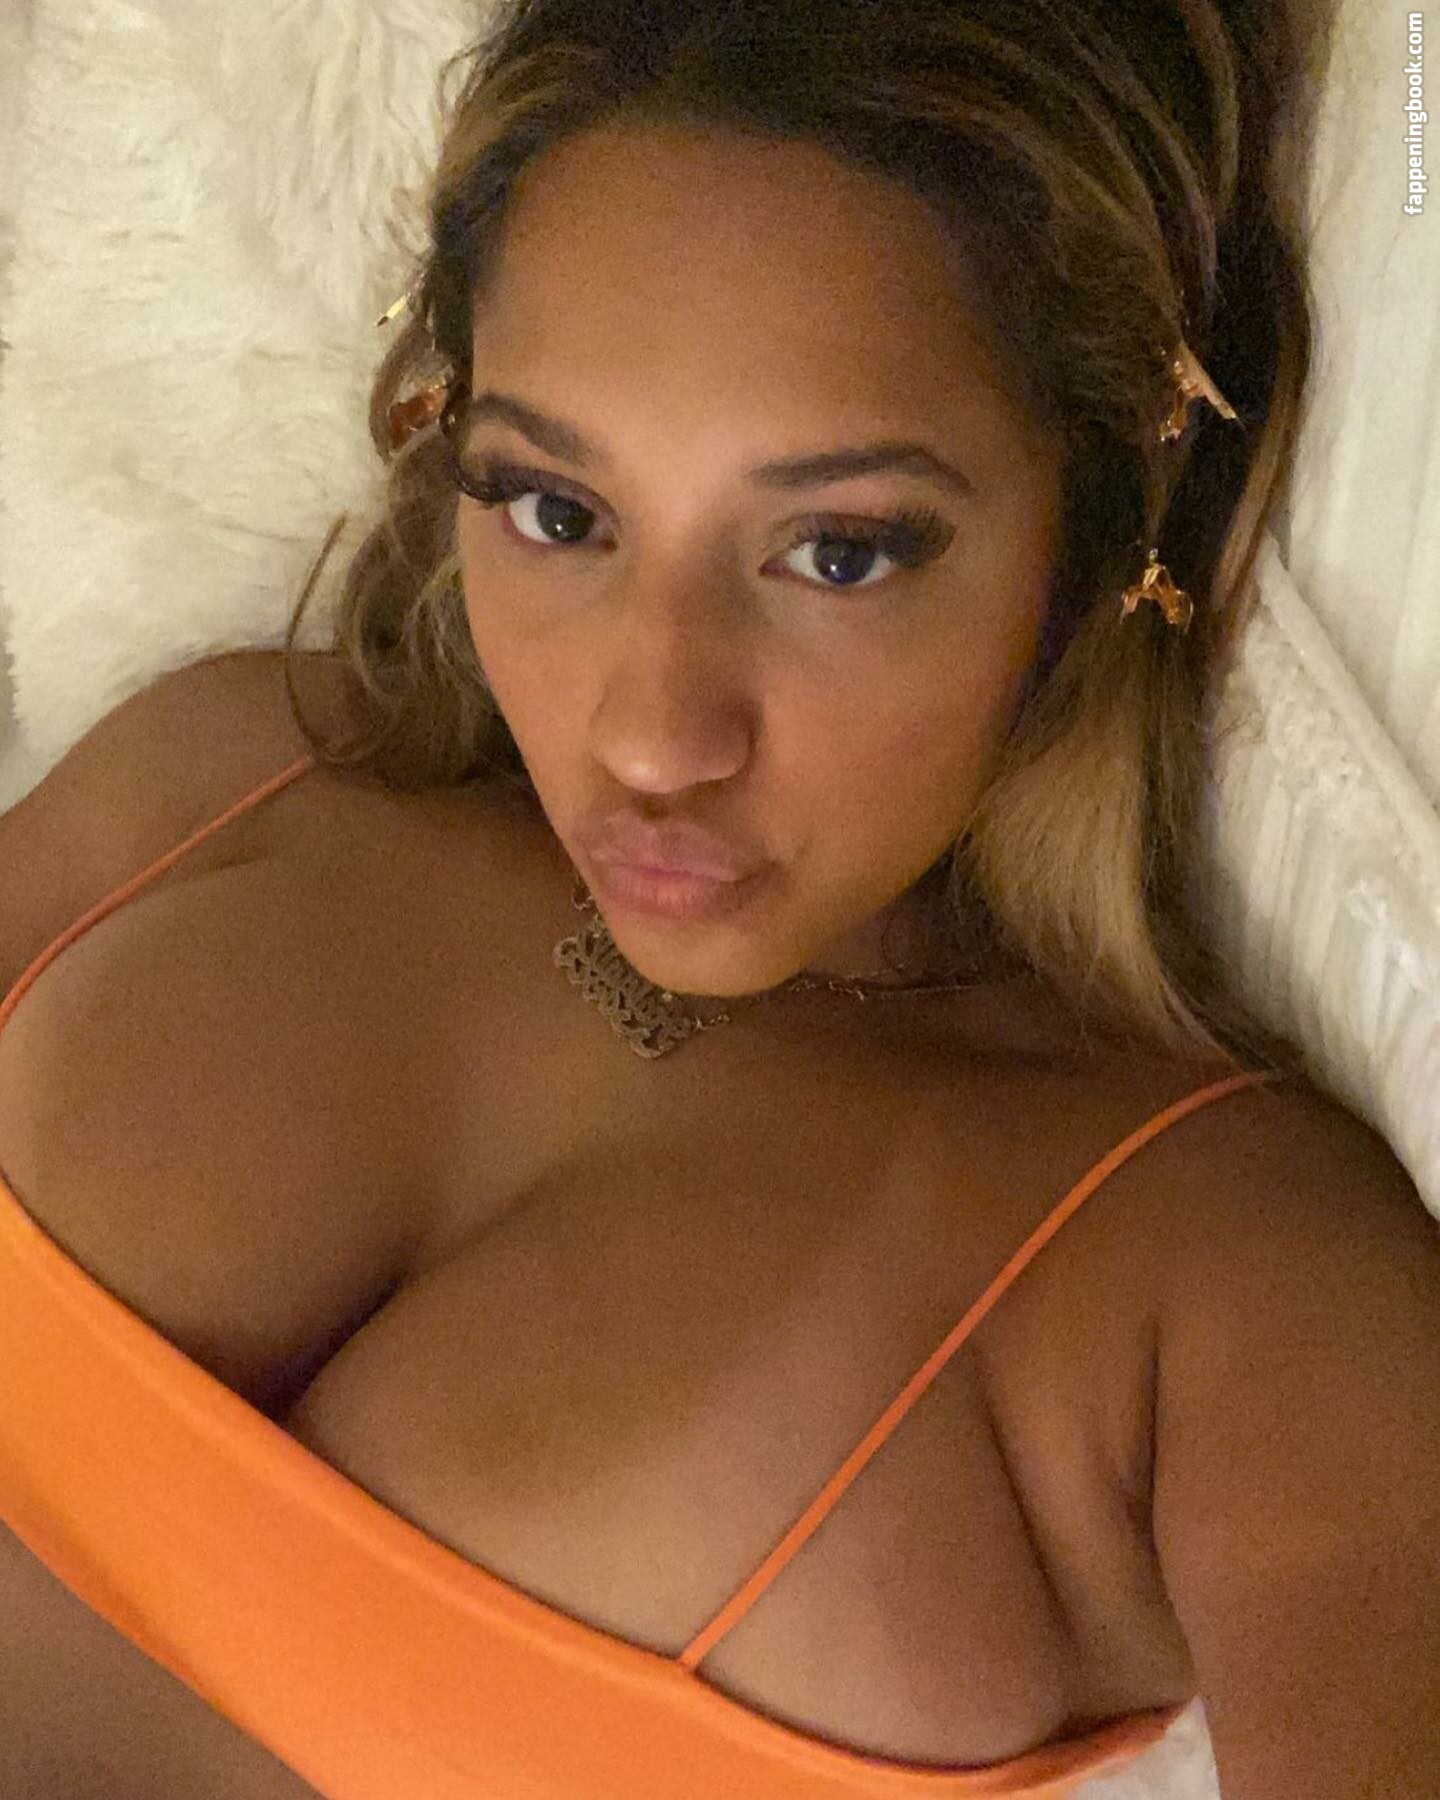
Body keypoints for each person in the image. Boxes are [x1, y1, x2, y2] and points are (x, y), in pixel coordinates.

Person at [2, 1, 1438, 1796]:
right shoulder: (240, 766)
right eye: (557, 511)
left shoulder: (1230, 1279)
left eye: (837, 551)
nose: (653, 735)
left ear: (1099, 523)